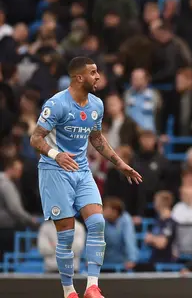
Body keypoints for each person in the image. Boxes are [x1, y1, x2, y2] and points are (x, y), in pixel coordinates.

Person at [29, 57, 142, 298]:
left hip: (81, 171)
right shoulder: (57, 104)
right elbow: (35, 138)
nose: (98, 76)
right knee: (67, 234)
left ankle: (92, 286)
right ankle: (69, 290)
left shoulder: (96, 105)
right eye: (93, 72)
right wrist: (56, 155)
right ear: (79, 77)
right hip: (54, 171)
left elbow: (97, 138)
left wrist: (121, 164)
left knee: (97, 223)